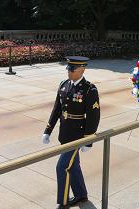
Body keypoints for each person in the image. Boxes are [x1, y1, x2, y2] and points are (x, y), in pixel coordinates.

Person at [42, 56, 100, 209]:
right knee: (73, 165)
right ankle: (81, 194)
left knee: (62, 167)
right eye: (68, 68)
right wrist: (48, 130)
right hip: (65, 134)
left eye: (72, 69)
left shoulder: (89, 89)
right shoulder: (64, 85)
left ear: (82, 70)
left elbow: (94, 117)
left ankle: (63, 202)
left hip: (77, 136)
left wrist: (88, 140)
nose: (69, 72)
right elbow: (57, 109)